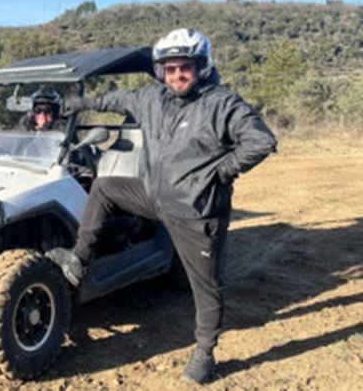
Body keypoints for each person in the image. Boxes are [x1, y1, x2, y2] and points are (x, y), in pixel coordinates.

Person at [47, 28, 277, 384]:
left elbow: (261, 140)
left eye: (184, 67)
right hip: (154, 197)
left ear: (201, 66)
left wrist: (221, 172)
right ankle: (79, 259)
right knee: (105, 188)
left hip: (196, 213)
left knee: (207, 287)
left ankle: (204, 353)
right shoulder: (152, 98)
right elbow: (115, 101)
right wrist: (74, 106)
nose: (176, 75)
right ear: (160, 71)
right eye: (169, 69)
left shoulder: (221, 103)